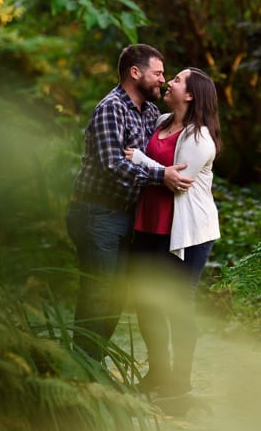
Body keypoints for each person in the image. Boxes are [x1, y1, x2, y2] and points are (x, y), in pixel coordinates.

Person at [66, 44, 194, 361]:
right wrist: (159, 177)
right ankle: (82, 371)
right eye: (158, 73)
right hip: (97, 213)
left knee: (116, 297)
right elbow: (112, 165)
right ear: (135, 72)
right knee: (98, 294)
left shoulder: (150, 113)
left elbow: (167, 139)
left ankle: (90, 367)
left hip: (127, 217)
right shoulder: (111, 108)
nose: (163, 80)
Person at [125, 67, 222, 398]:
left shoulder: (199, 139)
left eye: (177, 80)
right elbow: (161, 173)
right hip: (148, 225)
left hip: (186, 233)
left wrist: (138, 158)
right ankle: (158, 373)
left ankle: (179, 386)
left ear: (191, 94)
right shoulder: (162, 122)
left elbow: (177, 182)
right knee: (146, 303)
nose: (169, 82)